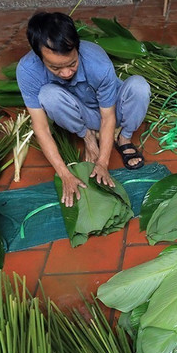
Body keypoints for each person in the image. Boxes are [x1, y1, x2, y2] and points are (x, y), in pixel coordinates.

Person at [16, 12, 151, 207]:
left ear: (77, 48)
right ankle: (88, 137)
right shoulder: (28, 70)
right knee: (48, 95)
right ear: (39, 57)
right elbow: (41, 128)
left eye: (72, 64)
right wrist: (64, 174)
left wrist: (103, 163)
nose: (66, 73)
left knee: (139, 86)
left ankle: (124, 137)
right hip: (80, 116)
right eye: (55, 68)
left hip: (112, 110)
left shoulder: (96, 60)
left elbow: (108, 117)